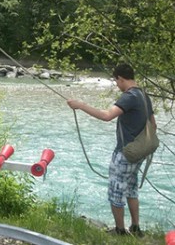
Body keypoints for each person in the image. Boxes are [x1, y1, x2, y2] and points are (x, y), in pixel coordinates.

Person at [66, 63, 156, 237]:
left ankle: (120, 231)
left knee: (116, 191)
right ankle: (136, 228)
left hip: (126, 153)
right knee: (131, 189)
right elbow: (153, 124)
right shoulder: (144, 95)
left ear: (121, 78)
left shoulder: (128, 96)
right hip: (140, 152)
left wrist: (80, 105)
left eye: (116, 81)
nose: (117, 85)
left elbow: (106, 116)